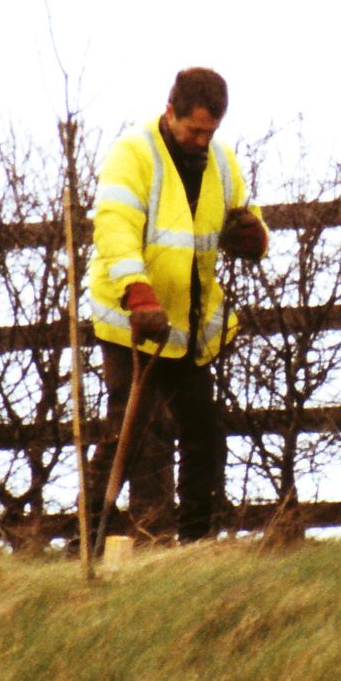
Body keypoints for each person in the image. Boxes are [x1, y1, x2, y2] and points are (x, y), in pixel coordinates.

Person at [85, 66, 268, 544]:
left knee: (205, 438)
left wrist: (253, 236)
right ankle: (88, 541)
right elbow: (114, 228)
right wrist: (138, 293)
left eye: (210, 131)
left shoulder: (222, 162)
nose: (202, 140)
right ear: (171, 112)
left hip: (186, 330)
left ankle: (195, 545)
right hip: (133, 321)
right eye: (194, 130)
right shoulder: (133, 154)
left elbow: (243, 218)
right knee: (128, 437)